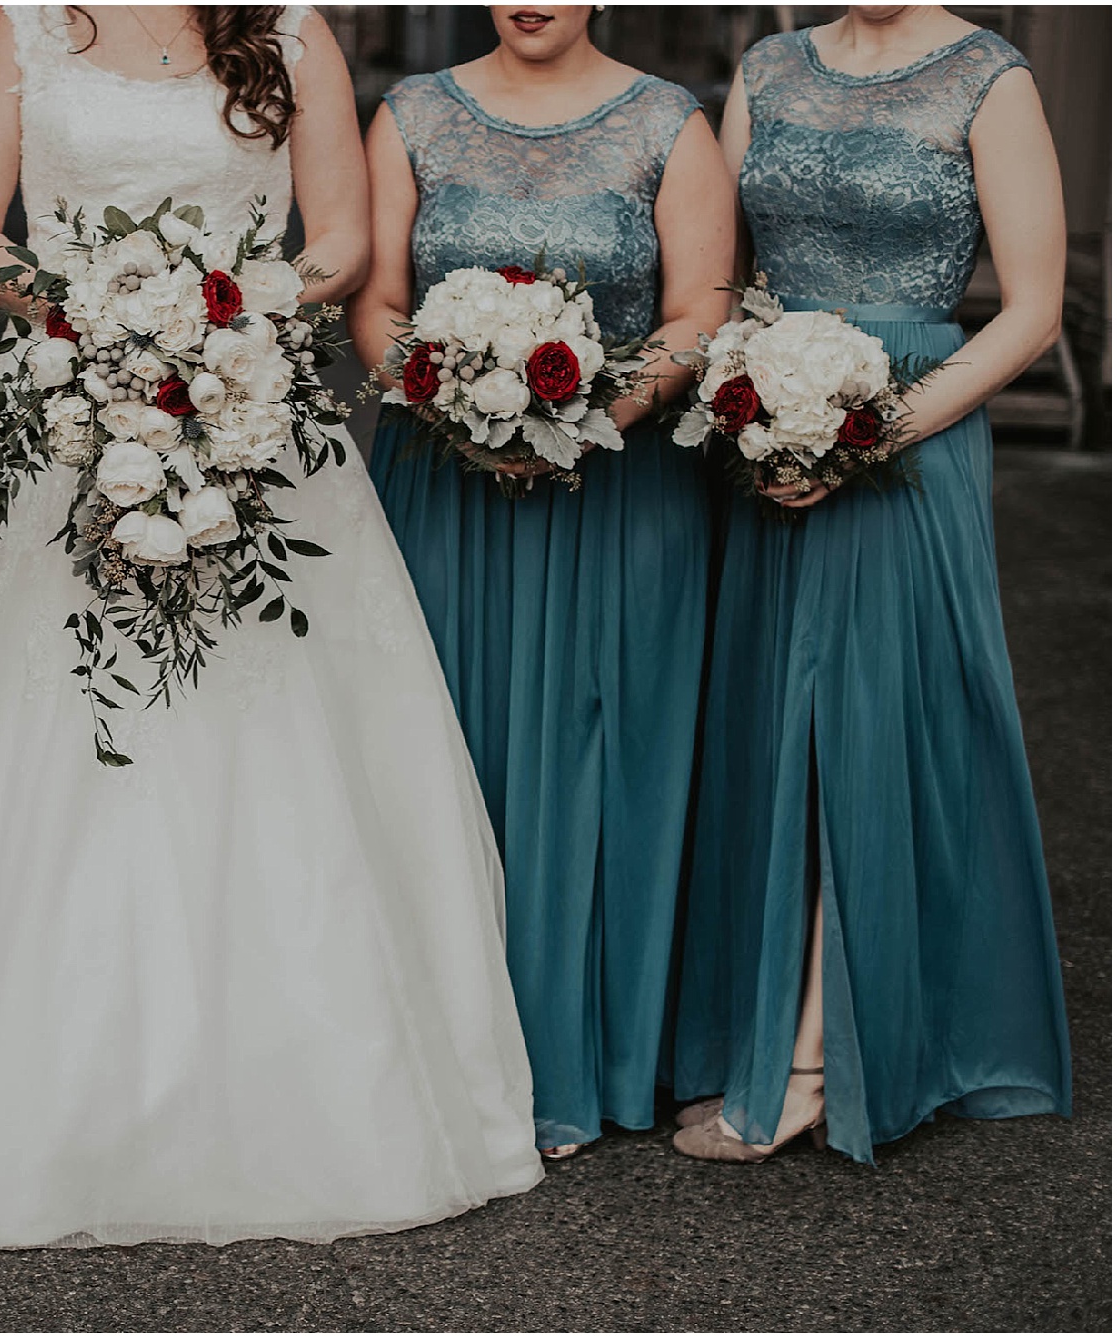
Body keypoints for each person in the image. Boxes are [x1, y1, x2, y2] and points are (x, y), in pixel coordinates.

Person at [0, 4, 542, 1249]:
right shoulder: (27, 25)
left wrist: (220, 323)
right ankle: (28, 1086)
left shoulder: (287, 28)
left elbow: (345, 242)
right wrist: (97, 320)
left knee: (269, 722)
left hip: (243, 398)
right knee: (37, 719)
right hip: (62, 399)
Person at [672, 4, 1072, 1163]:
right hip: (769, 428)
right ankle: (783, 1021)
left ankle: (808, 1063)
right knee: (772, 719)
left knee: (859, 718)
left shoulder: (988, 81)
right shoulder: (765, 69)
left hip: (908, 431)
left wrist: (869, 432)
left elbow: (1032, 313)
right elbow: (728, 275)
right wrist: (752, 404)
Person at [348, 3, 734, 1159]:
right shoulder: (409, 114)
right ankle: (433, 1058)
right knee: (439, 745)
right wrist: (445, 403)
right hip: (439, 481)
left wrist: (586, 421)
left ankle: (580, 1053)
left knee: (594, 748)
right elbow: (374, 305)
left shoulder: (670, 124)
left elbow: (695, 311)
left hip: (615, 495)